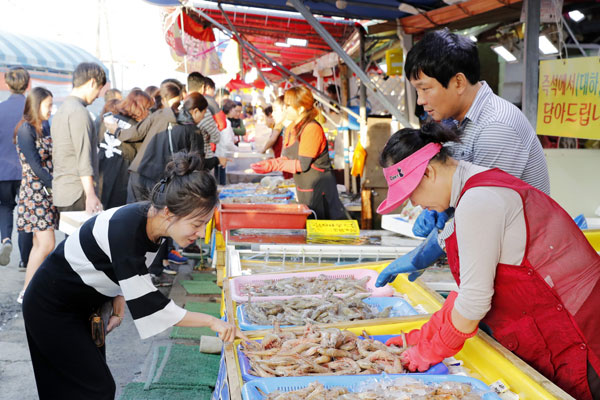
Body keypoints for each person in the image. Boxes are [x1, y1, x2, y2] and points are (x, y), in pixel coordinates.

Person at [375, 123, 600, 400]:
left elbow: (473, 302)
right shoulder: (475, 184)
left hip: (579, 338)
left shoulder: (478, 200)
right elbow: (468, 290)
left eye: (411, 194)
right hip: (555, 327)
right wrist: (421, 336)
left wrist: (428, 352)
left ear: (429, 173)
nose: (415, 204)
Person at [22, 151, 246, 399]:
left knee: (80, 387)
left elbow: (117, 267)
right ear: (170, 213)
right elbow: (153, 306)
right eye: (196, 224)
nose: (201, 233)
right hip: (51, 306)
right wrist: (212, 321)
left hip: (83, 305)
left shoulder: (152, 223)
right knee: (91, 388)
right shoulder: (128, 228)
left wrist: (117, 294)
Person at [379, 28, 551, 283]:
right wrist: (441, 209)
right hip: (495, 256)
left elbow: (482, 212)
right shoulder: (458, 123)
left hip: (527, 266)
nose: (420, 101)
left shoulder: (496, 127)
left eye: (425, 89)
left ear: (458, 82)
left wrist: (425, 253)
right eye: (417, 90)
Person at [251, 86, 347, 220]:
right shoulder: (291, 128)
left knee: (320, 233)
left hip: (320, 193)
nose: (286, 108)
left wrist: (274, 165)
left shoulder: (311, 128)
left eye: (289, 106)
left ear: (301, 109)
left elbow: (303, 165)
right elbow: (286, 157)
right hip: (304, 190)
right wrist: (271, 163)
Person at [13, 87, 58, 304]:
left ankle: (28, 291)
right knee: (46, 244)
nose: (51, 109)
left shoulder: (44, 126)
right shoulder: (26, 130)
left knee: (41, 245)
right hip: (35, 193)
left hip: (45, 193)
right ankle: (27, 291)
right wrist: (55, 184)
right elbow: (34, 166)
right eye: (48, 105)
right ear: (36, 104)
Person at [112, 81, 182, 203]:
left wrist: (117, 131)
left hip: (140, 171)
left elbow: (137, 133)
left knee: (132, 215)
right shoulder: (184, 123)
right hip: (161, 178)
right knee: (153, 215)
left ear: (164, 99)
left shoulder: (157, 115)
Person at [51, 62, 106, 214]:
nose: (98, 95)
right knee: (82, 237)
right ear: (92, 82)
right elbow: (83, 157)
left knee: (71, 237)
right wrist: (91, 194)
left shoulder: (61, 111)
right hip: (78, 192)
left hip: (63, 191)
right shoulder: (79, 112)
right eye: (99, 89)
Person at [0, 66, 33, 268]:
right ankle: (25, 259)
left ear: (6, 84)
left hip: (3, 171)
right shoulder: (32, 110)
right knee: (26, 211)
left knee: (5, 206)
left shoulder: (0, 108)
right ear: (28, 84)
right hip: (27, 171)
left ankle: (6, 240)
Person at [97, 89, 153, 209]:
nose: (149, 113)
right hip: (121, 180)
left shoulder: (108, 120)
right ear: (140, 107)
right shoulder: (136, 130)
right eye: (148, 108)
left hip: (101, 173)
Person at [187, 72, 220, 164]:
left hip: (185, 162)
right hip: (203, 160)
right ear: (202, 88)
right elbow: (216, 138)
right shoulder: (204, 110)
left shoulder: (180, 108)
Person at [214, 100, 239, 185]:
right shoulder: (226, 122)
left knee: (218, 179)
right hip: (222, 155)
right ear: (230, 110)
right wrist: (237, 150)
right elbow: (227, 142)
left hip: (218, 154)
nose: (235, 113)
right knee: (221, 181)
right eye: (235, 110)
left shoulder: (221, 120)